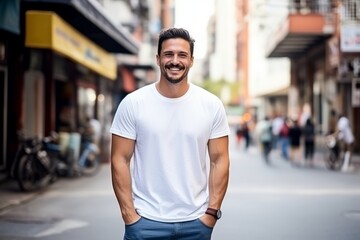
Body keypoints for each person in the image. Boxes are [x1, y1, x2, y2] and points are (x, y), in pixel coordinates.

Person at [110, 28, 230, 240]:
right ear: (158, 59)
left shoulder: (211, 105)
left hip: (196, 224)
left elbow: (219, 160)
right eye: (168, 54)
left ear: (192, 60)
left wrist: (211, 213)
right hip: (145, 222)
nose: (175, 61)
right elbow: (119, 158)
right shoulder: (133, 103)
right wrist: (129, 215)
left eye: (182, 55)